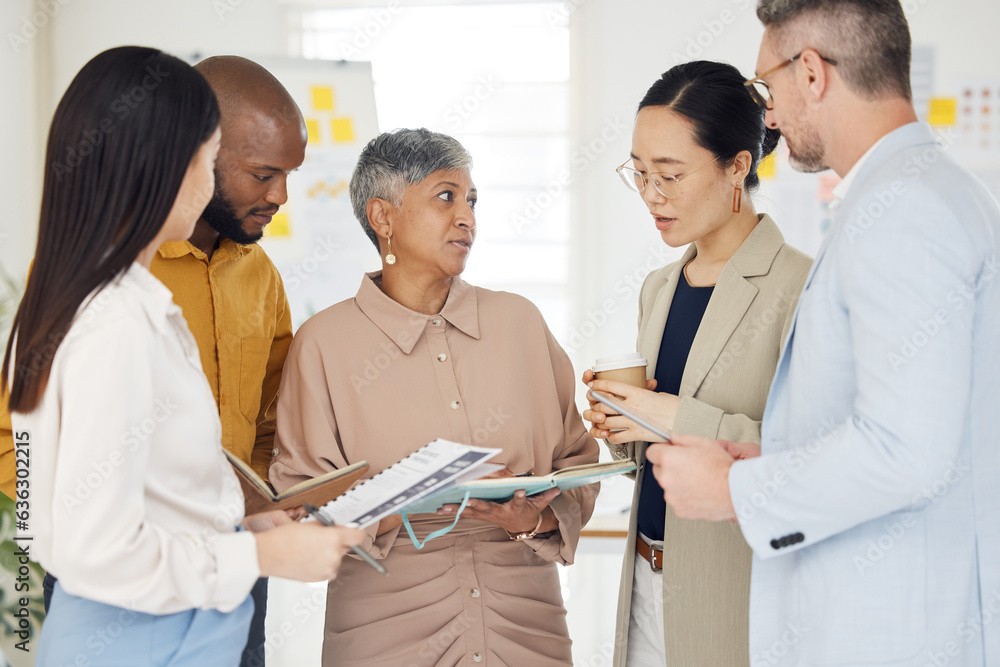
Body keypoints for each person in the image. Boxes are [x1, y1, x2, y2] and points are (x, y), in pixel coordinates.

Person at [645, 1, 1000, 665]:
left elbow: (905, 450)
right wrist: (771, 461)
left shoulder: (904, 209)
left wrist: (732, 491)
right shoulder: (926, 192)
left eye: (764, 87)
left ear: (810, 72)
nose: (767, 113)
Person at [2, 46, 360, 665]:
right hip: (137, 617)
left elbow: (232, 449)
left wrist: (245, 529)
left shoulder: (130, 302)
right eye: (205, 154)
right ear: (170, 165)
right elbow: (86, 536)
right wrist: (257, 553)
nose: (279, 196)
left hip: (198, 593)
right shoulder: (113, 321)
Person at [269, 128, 599, 666]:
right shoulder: (323, 344)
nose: (466, 216)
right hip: (386, 633)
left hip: (526, 627)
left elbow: (577, 460)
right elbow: (301, 503)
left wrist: (533, 520)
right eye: (446, 197)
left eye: (471, 200)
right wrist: (406, 499)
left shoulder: (519, 323)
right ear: (383, 218)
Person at [581, 61, 811, 666]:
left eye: (670, 175)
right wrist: (622, 425)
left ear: (738, 165)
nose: (651, 195)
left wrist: (677, 415)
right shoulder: (659, 287)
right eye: (639, 174)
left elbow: (816, 460)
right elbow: (652, 466)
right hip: (644, 584)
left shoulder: (801, 287)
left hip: (734, 596)